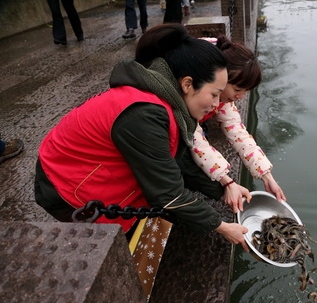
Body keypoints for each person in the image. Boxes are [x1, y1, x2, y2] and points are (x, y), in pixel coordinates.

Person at [35, 23, 250, 252]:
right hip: (62, 182)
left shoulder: (164, 98)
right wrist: (222, 226)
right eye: (215, 94)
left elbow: (176, 161)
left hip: (88, 168)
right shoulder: (146, 113)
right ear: (187, 84)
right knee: (114, 248)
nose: (217, 104)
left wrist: (224, 189)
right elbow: (168, 192)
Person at [184, 36, 286, 214]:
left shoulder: (223, 99)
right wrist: (227, 181)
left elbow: (238, 132)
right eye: (237, 89)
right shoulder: (187, 97)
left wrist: (266, 176)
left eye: (245, 91)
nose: (241, 97)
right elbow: (194, 137)